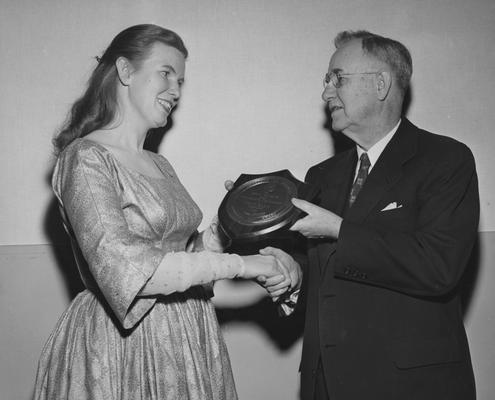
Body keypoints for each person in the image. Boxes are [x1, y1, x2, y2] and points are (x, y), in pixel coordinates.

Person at [33, 24, 291, 400]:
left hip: (187, 331)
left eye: (182, 81)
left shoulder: (160, 164)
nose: (176, 91)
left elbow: (183, 261)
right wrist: (243, 266)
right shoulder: (85, 159)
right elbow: (126, 268)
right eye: (165, 73)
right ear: (125, 71)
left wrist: (225, 229)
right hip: (121, 344)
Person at [263, 30, 479, 399]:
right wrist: (289, 275)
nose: (326, 93)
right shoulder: (321, 176)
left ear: (381, 84)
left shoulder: (446, 160)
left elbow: (439, 267)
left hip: (409, 386)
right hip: (326, 384)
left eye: (338, 79)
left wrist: (339, 230)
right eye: (326, 81)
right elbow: (321, 276)